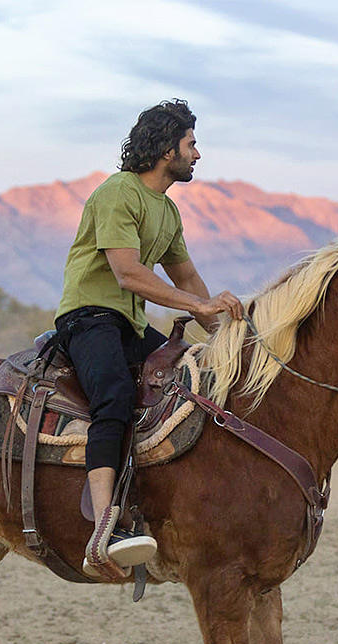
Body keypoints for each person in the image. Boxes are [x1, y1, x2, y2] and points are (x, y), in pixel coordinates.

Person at [54, 99, 243, 573]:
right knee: (114, 397)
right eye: (191, 144)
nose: (198, 155)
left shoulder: (167, 212)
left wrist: (228, 338)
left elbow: (187, 279)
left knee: (186, 385)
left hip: (130, 327)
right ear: (166, 150)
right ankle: (103, 529)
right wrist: (198, 306)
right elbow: (128, 273)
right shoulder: (117, 193)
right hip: (89, 318)